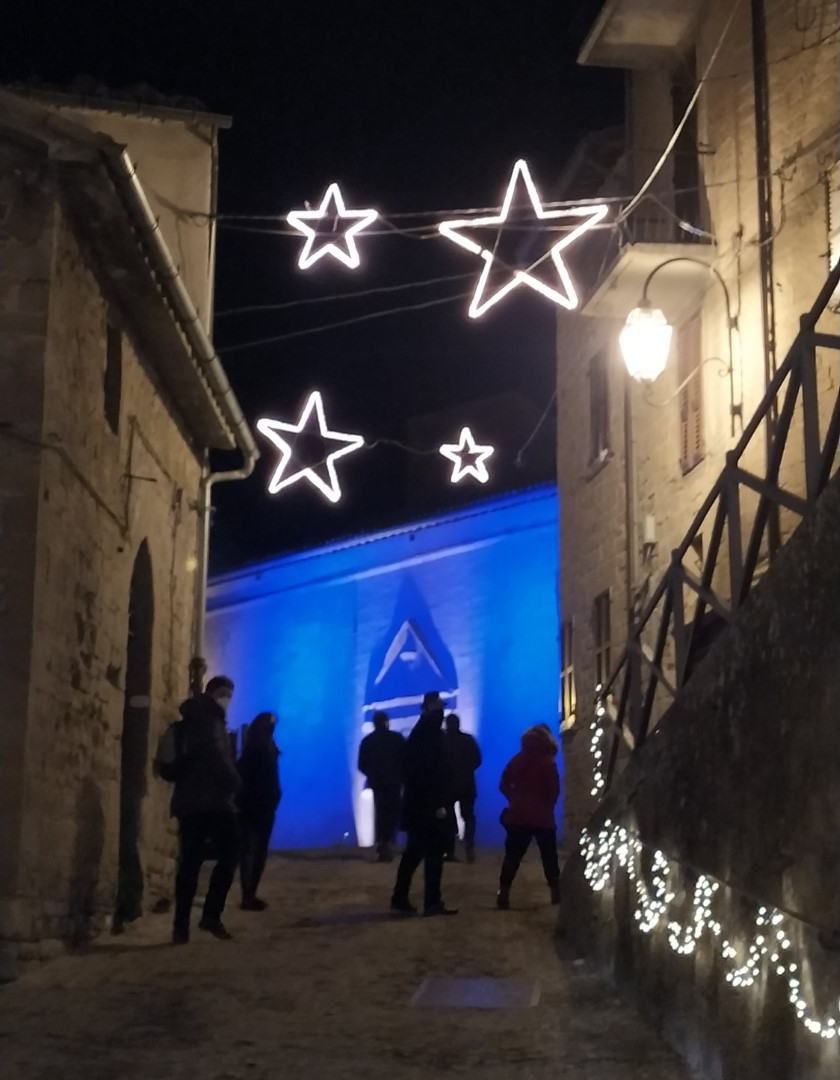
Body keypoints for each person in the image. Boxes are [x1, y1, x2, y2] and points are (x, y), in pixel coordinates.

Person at [171, 675, 241, 944]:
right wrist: (236, 784)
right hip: (214, 801)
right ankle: (211, 914)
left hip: (189, 802)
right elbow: (217, 757)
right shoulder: (211, 720)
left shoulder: (192, 718)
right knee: (231, 852)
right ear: (213, 692)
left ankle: (180, 926)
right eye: (225, 694)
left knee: (189, 862)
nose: (227, 700)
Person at [390, 698, 458, 917]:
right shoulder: (431, 737)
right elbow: (433, 774)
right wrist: (439, 803)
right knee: (432, 854)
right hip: (429, 806)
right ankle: (430, 901)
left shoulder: (418, 736)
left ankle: (402, 897)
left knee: (414, 853)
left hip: (417, 806)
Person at [496, 725, 561, 910]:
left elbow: (503, 783)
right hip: (543, 816)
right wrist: (547, 805)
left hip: (519, 815)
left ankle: (503, 893)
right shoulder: (548, 762)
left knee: (512, 856)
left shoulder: (517, 759)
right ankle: (556, 893)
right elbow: (554, 790)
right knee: (549, 856)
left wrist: (514, 798)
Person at [237, 711, 281, 911]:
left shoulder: (254, 747)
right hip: (260, 803)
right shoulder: (262, 749)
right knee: (254, 850)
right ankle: (249, 894)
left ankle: (249, 893)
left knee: (252, 849)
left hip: (255, 803)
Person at [357, 710, 405, 863]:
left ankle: (383, 842)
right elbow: (406, 759)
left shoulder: (368, 741)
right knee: (393, 812)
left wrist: (372, 775)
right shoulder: (396, 738)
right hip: (394, 782)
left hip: (378, 783)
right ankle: (389, 841)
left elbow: (361, 765)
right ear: (387, 722)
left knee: (380, 812)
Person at [443, 713, 482, 863]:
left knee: (448, 817)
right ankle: (468, 843)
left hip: (448, 785)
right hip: (467, 784)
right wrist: (467, 769)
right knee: (468, 816)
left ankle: (450, 850)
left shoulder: (442, 740)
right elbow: (478, 760)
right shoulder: (468, 739)